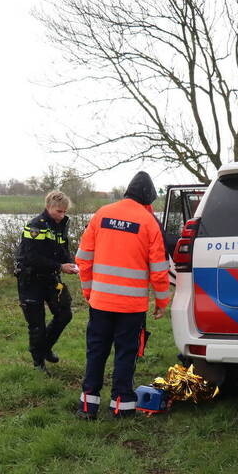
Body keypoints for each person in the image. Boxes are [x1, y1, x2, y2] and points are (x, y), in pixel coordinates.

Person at [75, 171, 171, 419]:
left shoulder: (101, 214)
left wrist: (89, 291)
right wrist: (161, 302)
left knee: (96, 352)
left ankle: (87, 406)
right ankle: (121, 407)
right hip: (131, 306)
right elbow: (159, 269)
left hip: (101, 302)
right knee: (125, 354)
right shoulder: (148, 222)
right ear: (148, 199)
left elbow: (83, 259)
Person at [14, 190, 79, 374]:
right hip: (30, 278)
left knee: (64, 314)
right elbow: (31, 257)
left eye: (65, 211)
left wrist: (71, 263)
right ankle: (38, 362)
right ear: (49, 207)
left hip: (51, 278)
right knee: (36, 324)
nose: (62, 215)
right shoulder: (35, 226)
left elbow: (62, 249)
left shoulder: (61, 224)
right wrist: (60, 267)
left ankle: (45, 348)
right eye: (59, 211)